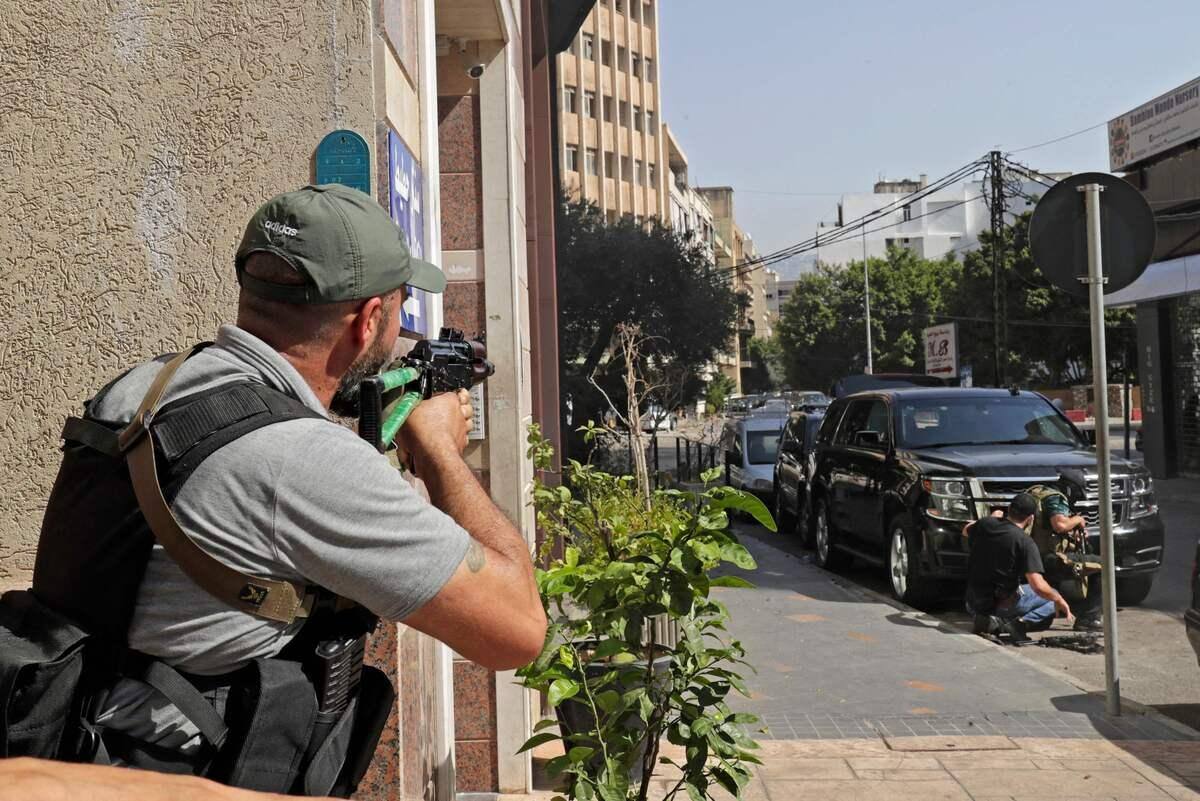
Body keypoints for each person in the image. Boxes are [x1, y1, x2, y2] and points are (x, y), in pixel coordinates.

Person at [29, 185, 547, 789]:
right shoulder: (304, 463)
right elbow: (516, 632)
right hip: (180, 776)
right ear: (369, 319)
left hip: (80, 747)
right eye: (401, 308)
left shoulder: (144, 388)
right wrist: (436, 451)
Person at [963, 492, 1073, 644]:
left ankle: (986, 619)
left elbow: (966, 530)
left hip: (972, 602)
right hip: (1000, 604)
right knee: (1051, 598)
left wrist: (993, 518)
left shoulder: (985, 524)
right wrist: (1059, 600)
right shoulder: (1025, 542)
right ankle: (1013, 624)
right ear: (1031, 518)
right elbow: (1038, 586)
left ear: (1009, 508)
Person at [1026, 484, 1104, 632]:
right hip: (1047, 559)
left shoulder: (1035, 493)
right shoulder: (1055, 498)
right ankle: (1089, 618)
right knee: (1104, 566)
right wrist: (1077, 520)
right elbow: (1060, 525)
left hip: (1030, 557)